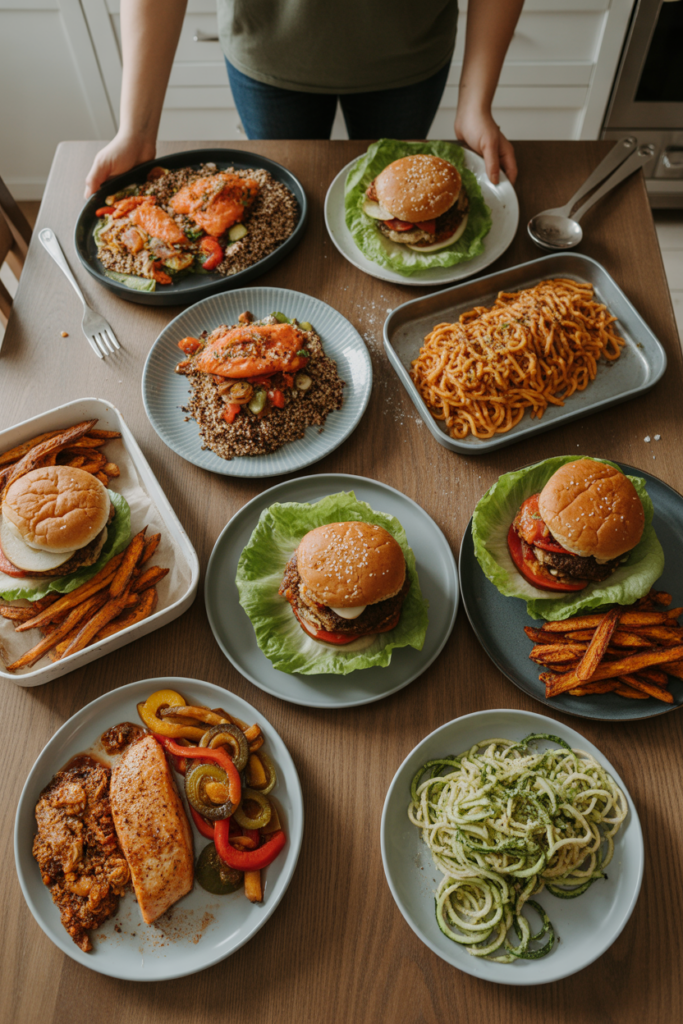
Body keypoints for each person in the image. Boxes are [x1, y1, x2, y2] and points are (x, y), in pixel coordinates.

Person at [84, 0, 522, 198]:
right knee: (284, 203)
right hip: (267, 47)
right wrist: (136, 132)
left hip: (408, 49)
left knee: (397, 204)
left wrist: (476, 105)